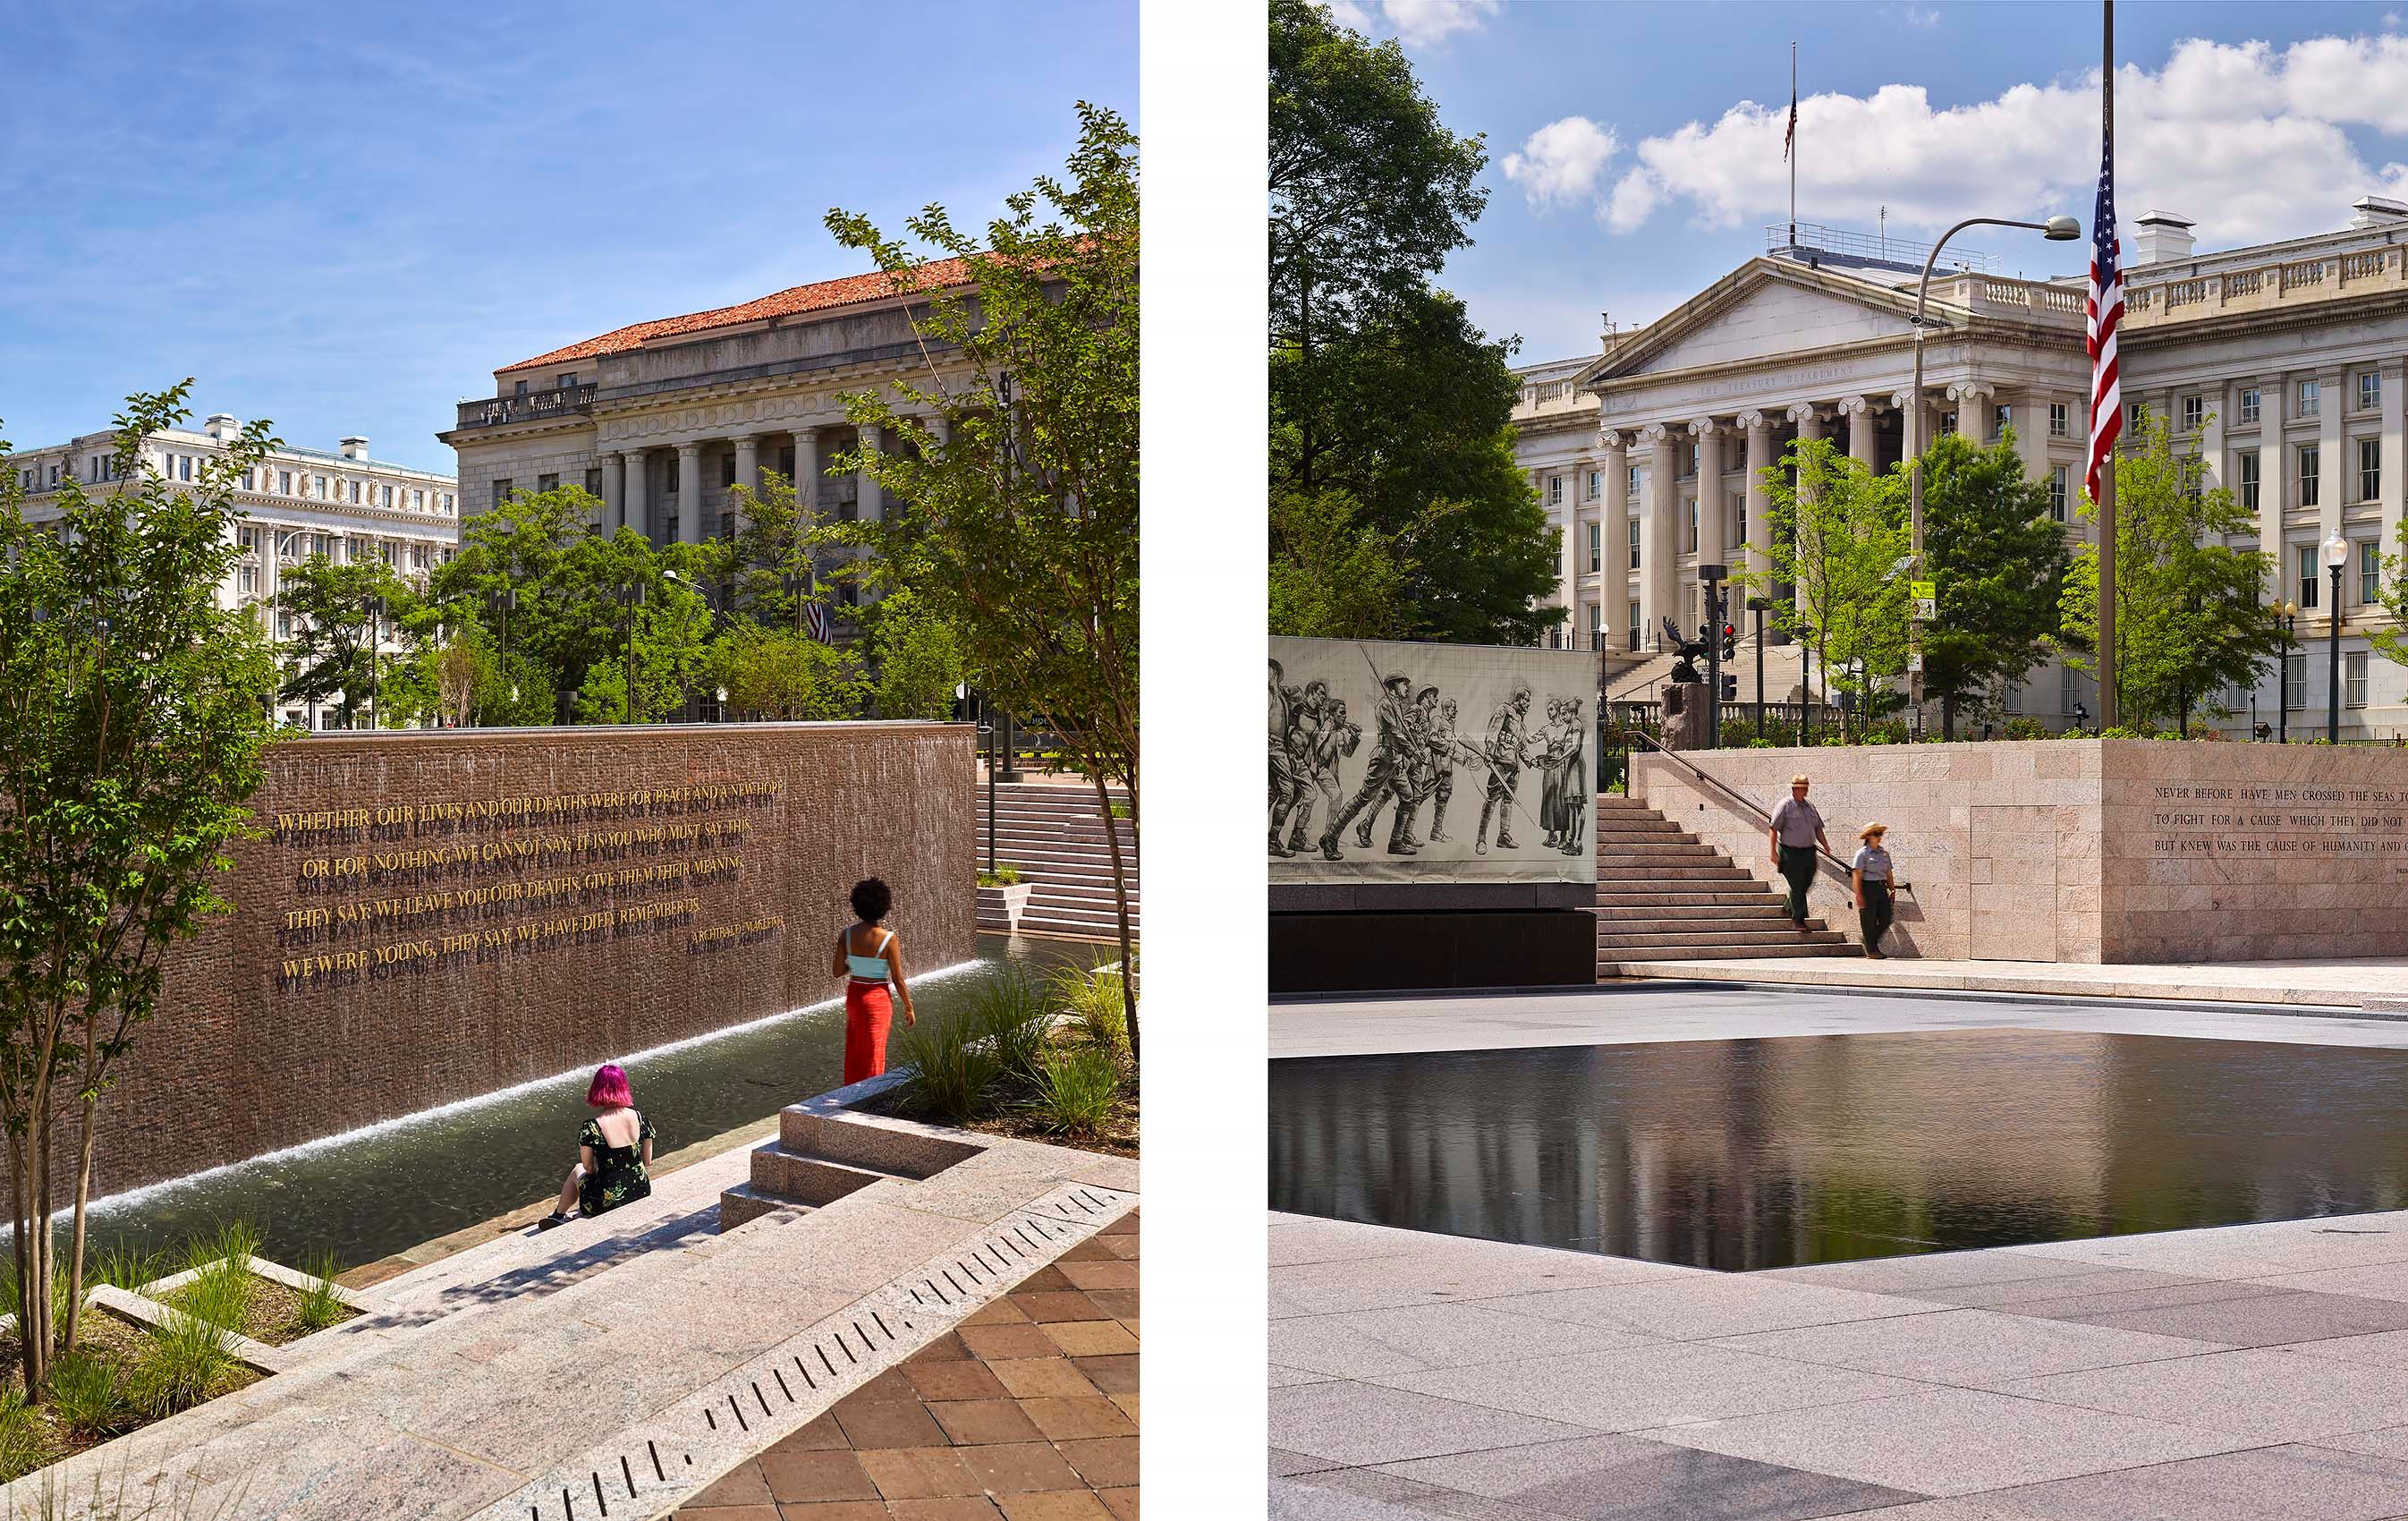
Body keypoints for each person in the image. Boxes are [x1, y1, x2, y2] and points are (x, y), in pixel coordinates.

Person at [538, 1063, 655, 1229]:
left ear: (597, 1089)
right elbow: (648, 1162)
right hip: (641, 1190)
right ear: (624, 1087)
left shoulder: (592, 1127)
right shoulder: (641, 1119)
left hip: (607, 1201)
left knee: (578, 1169)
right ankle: (559, 1215)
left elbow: (588, 1167)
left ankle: (558, 1215)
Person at [833, 877, 916, 1083]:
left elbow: (837, 971)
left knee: (855, 1051)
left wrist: (857, 963)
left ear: (857, 905)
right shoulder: (888, 939)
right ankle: (868, 1100)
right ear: (883, 906)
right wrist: (909, 1007)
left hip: (854, 997)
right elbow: (898, 979)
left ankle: (849, 1094)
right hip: (877, 999)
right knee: (874, 1053)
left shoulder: (847, 935)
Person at [1766, 774, 1829, 928]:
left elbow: (1818, 828)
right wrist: (1773, 852)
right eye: (1802, 788)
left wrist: (1825, 845)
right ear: (1794, 789)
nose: (1805, 790)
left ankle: (1789, 905)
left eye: (1806, 787)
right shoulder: (1785, 805)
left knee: (1807, 881)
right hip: (1790, 852)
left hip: (1808, 851)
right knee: (1797, 884)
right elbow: (1773, 829)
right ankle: (1799, 919)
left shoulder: (1810, 807)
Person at [1853, 823, 1896, 957]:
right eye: (1876, 834)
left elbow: (1888, 873)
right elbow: (1857, 875)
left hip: (1881, 887)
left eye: (1880, 834)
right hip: (1867, 887)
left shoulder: (1883, 854)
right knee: (1869, 920)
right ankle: (1872, 950)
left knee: (1886, 918)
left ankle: (1869, 942)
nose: (1879, 837)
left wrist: (1892, 889)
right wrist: (1859, 894)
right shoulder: (1862, 854)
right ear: (1869, 836)